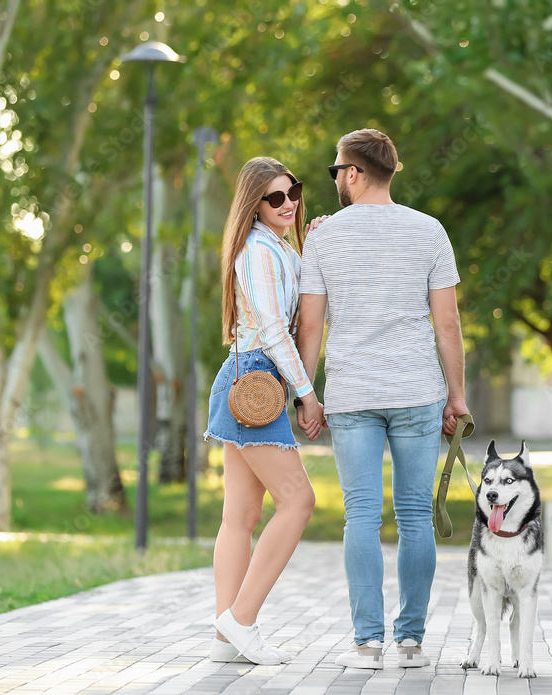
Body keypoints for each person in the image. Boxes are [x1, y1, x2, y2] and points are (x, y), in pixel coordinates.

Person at [295, 129, 468, 669]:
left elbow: (312, 326)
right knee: (416, 516)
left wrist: (306, 394)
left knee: (361, 516)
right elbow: (448, 322)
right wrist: (456, 395)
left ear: (351, 173)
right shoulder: (430, 231)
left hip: (352, 394)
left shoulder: (323, 238)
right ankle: (411, 641)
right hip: (417, 391)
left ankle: (368, 642)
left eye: (335, 172)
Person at [204, 156, 324, 665]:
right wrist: (307, 393)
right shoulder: (257, 251)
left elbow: (302, 292)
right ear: (255, 204)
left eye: (292, 191)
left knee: (242, 515)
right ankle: (241, 619)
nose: (288, 203)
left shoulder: (277, 248)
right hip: (257, 383)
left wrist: (311, 241)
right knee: (298, 501)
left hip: (249, 382)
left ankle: (227, 638)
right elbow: (276, 330)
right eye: (276, 197)